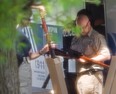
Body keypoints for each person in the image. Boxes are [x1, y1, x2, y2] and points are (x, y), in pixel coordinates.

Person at [16, 4, 56, 94]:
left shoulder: (27, 30)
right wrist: (38, 7)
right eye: (27, 18)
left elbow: (30, 56)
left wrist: (42, 51)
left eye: (29, 19)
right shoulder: (9, 29)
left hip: (22, 65)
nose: (29, 21)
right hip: (11, 67)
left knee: (23, 89)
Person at [70, 9, 111, 94]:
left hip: (92, 75)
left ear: (88, 24)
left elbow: (106, 55)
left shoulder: (97, 37)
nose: (80, 30)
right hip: (80, 75)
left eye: (82, 27)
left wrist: (88, 60)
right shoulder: (76, 38)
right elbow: (73, 52)